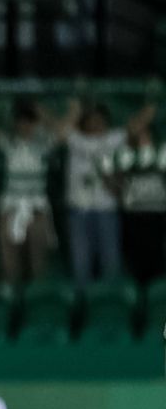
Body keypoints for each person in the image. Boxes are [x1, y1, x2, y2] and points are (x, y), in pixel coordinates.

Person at [64, 100, 157, 286]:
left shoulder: (114, 138)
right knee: (81, 266)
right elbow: (61, 131)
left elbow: (139, 124)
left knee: (110, 265)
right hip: (79, 211)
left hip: (106, 211)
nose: (96, 124)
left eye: (100, 120)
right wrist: (74, 110)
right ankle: (83, 309)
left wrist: (151, 100)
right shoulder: (75, 140)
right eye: (92, 120)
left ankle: (110, 310)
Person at [0, 100, 58, 286]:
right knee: (10, 263)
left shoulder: (44, 144)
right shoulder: (8, 143)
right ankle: (12, 298)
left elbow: (62, 129)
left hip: (37, 207)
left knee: (38, 261)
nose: (25, 126)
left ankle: (36, 298)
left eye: (29, 122)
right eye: (21, 122)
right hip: (11, 206)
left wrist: (40, 112)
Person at [101, 114, 166, 285]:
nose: (142, 137)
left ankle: (155, 298)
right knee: (135, 259)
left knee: (156, 258)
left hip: (156, 212)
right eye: (139, 134)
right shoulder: (125, 155)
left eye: (145, 134)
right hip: (133, 213)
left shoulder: (162, 153)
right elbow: (107, 170)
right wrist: (117, 189)